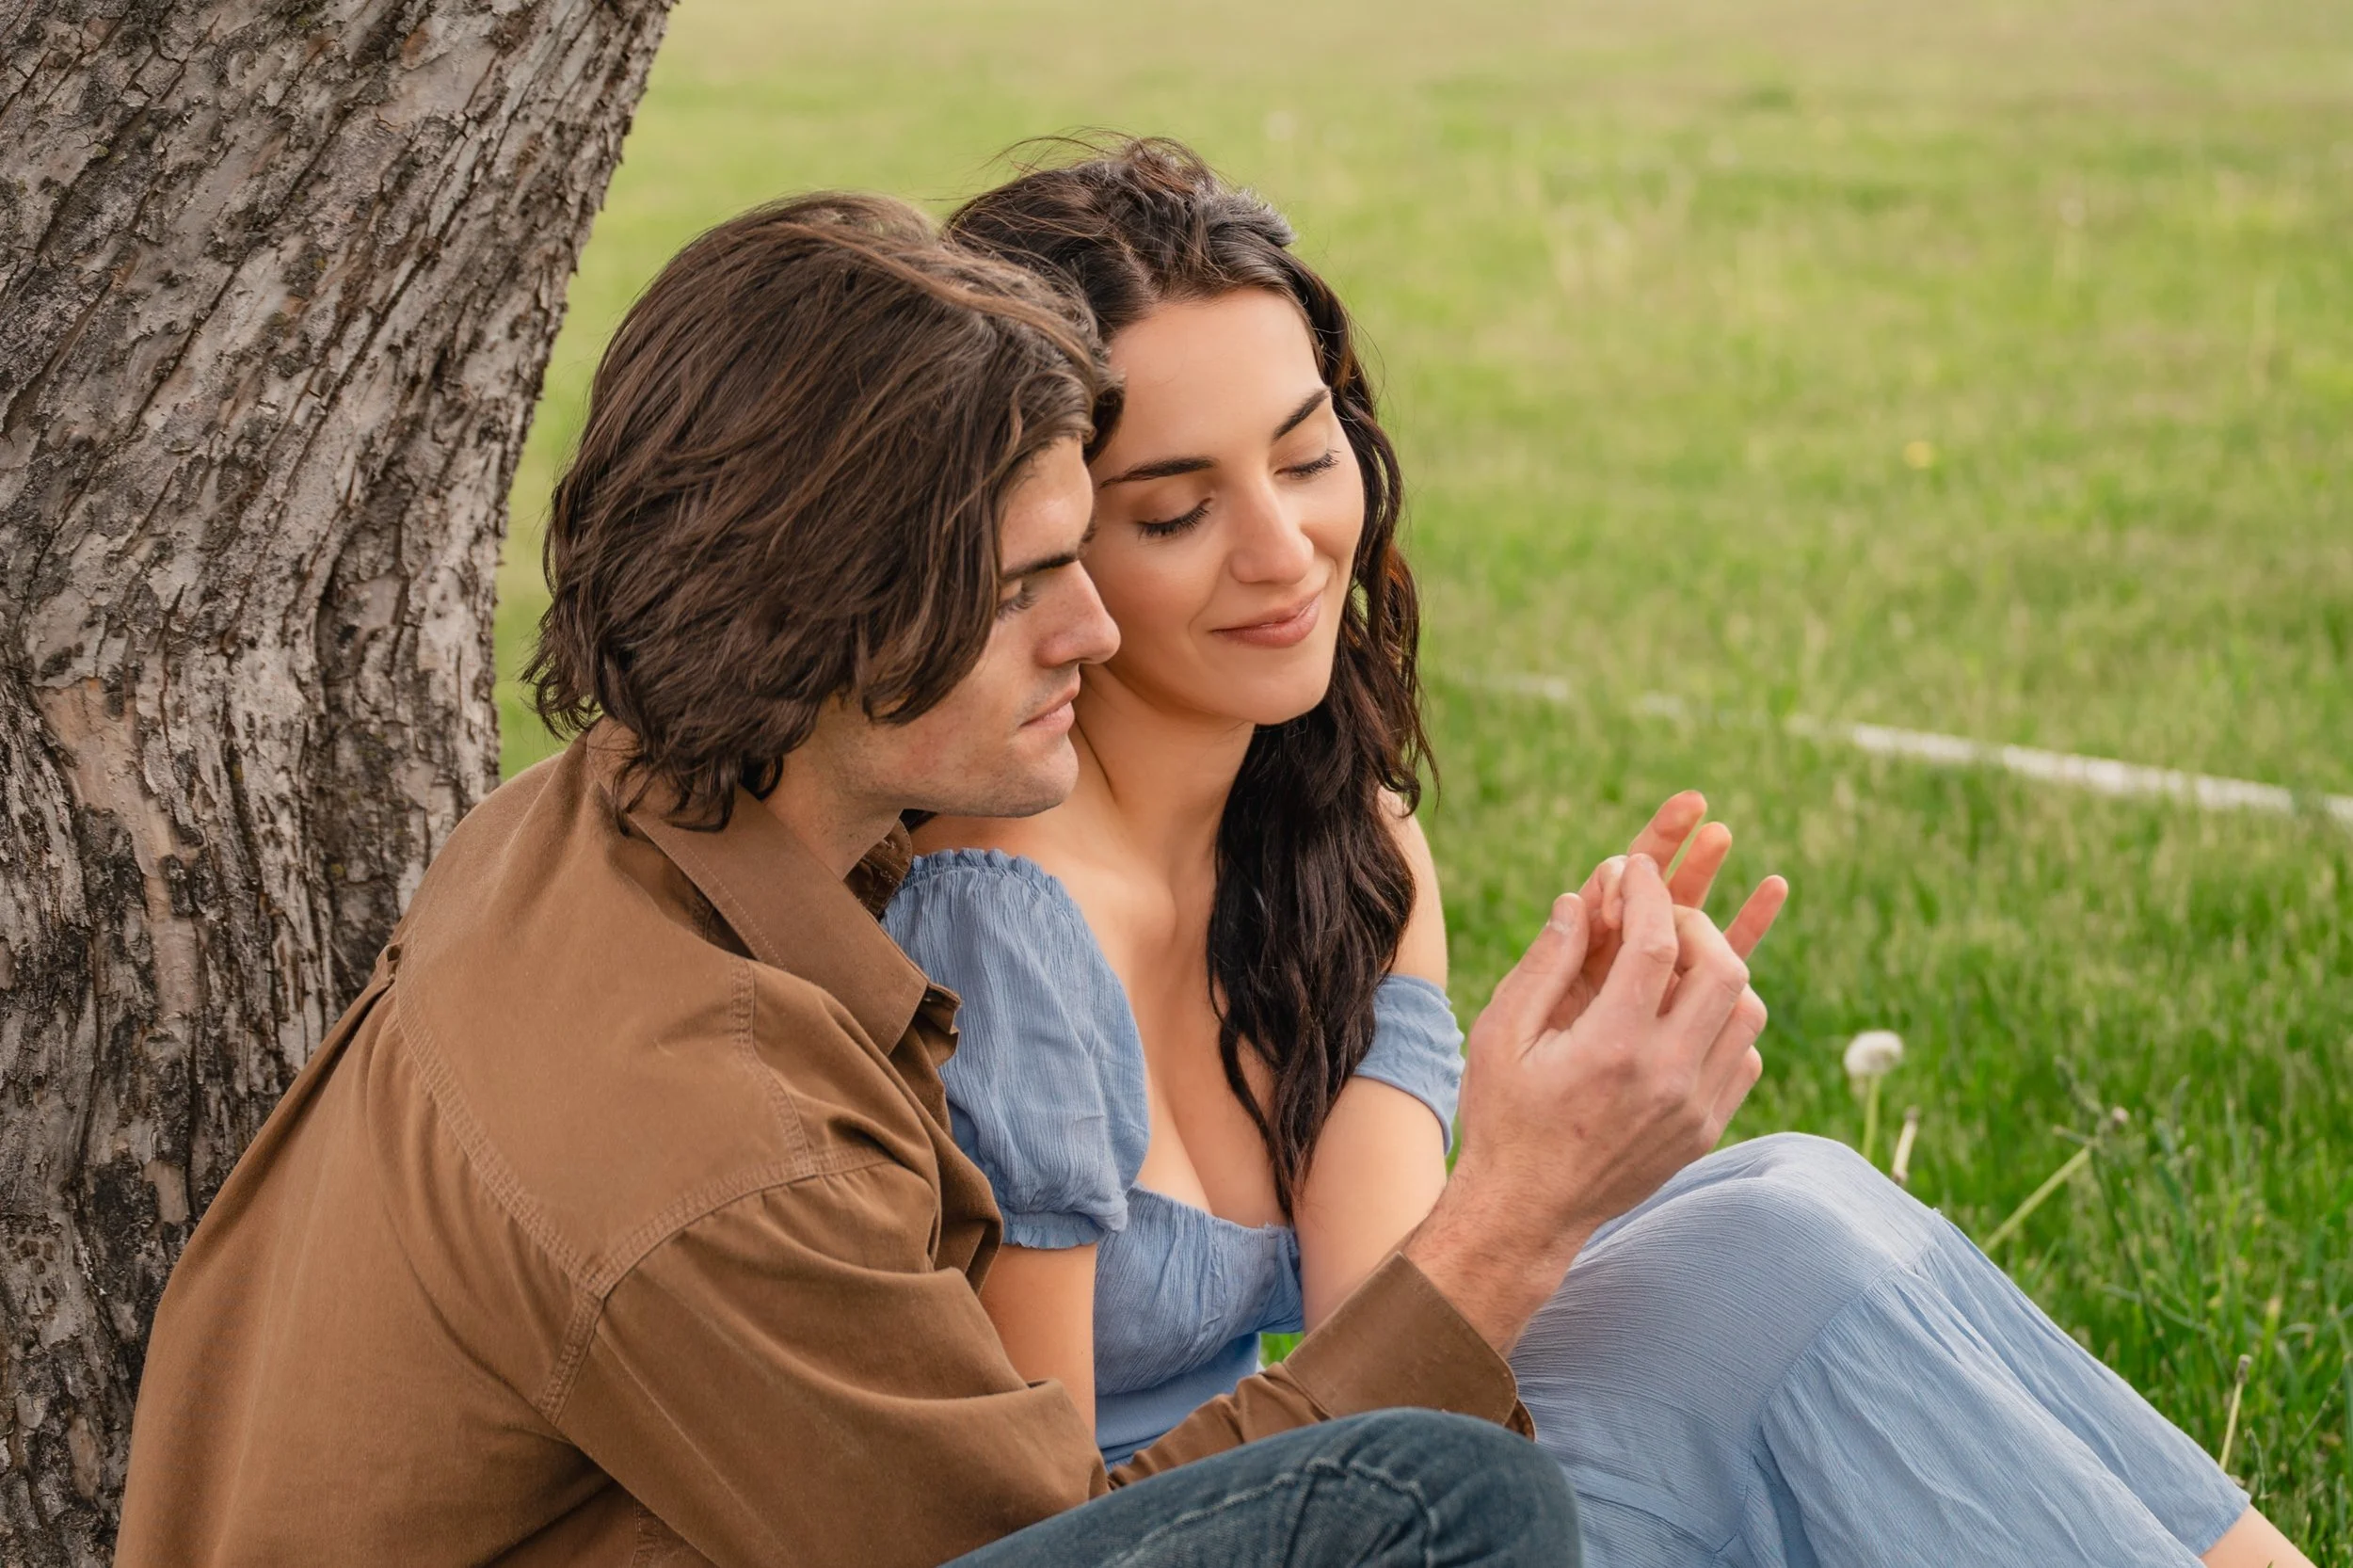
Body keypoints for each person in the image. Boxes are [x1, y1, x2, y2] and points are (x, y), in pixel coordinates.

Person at [114, 190, 1777, 1567]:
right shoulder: (713, 1141)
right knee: (1446, 1502)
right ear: (816, 621)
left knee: (1774, 1242)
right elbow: (1066, 1540)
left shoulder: (618, 812)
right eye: (1026, 586)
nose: (1095, 630)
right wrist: (1516, 1214)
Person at [884, 138, 2313, 1568]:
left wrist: (1551, 1120)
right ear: (1040, 544)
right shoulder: (1002, 916)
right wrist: (1529, 1187)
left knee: (1786, 1207)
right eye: (1177, 511)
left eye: (1310, 457)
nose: (1285, 548)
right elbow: (1061, 1534)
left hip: (1375, 1481)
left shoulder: (1347, 846)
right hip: (1190, 1535)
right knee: (1773, 1255)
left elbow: (1391, 1341)